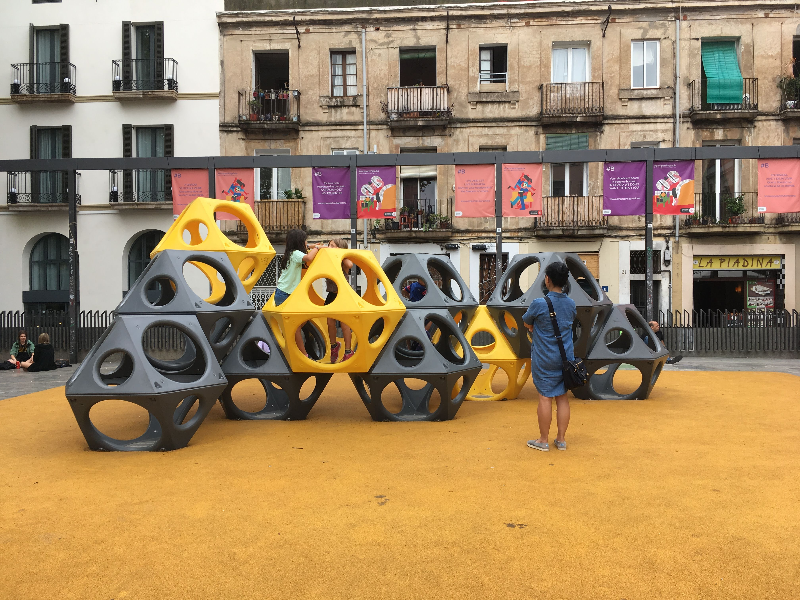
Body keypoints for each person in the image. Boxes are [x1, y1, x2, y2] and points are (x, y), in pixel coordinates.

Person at [522, 262, 577, 452]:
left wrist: (534, 327)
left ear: (547, 280)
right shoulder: (571, 304)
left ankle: (543, 440)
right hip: (565, 358)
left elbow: (526, 322)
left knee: (545, 397)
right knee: (562, 398)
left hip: (544, 357)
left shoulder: (539, 303)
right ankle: (561, 440)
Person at [274, 228, 321, 359]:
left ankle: (294, 348)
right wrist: (317, 248)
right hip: (285, 294)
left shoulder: (291, 252)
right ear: (299, 242)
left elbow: (306, 249)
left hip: (284, 293)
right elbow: (308, 257)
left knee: (298, 323)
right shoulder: (296, 254)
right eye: (305, 240)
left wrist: (312, 245)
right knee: (295, 327)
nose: (306, 243)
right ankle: (303, 355)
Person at [325, 239, 354, 363]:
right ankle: (334, 346)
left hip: (343, 295)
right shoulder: (327, 260)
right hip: (332, 295)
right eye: (329, 245)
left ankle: (348, 351)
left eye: (332, 245)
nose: (329, 247)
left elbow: (350, 265)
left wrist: (339, 253)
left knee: (344, 324)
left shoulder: (342, 263)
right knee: (330, 323)